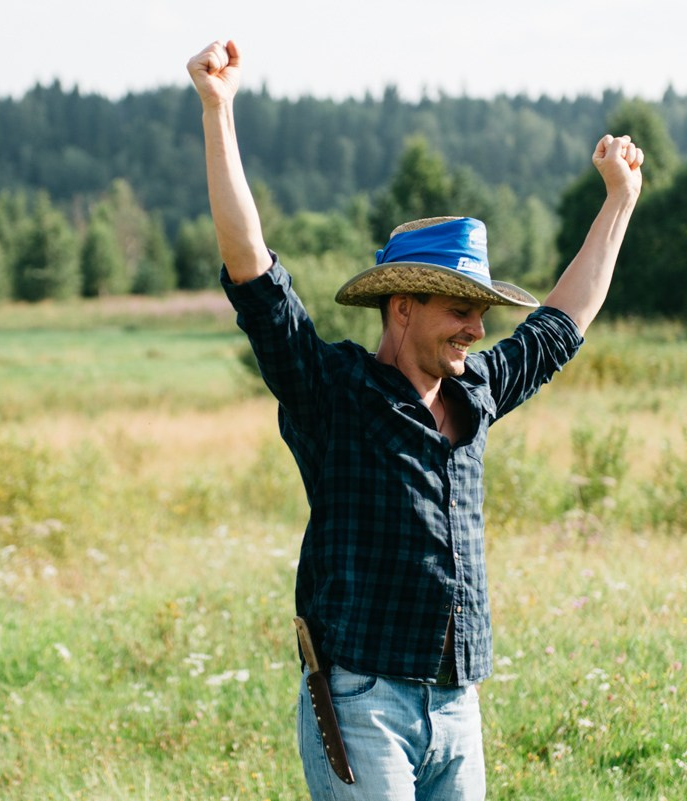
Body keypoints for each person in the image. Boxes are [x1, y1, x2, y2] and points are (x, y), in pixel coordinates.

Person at [187, 39, 643, 801]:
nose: (476, 329)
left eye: (482, 312)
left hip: (459, 703)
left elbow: (561, 322)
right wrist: (218, 110)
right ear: (403, 306)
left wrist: (619, 202)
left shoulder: (477, 391)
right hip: (362, 701)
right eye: (460, 309)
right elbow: (254, 273)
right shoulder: (333, 392)